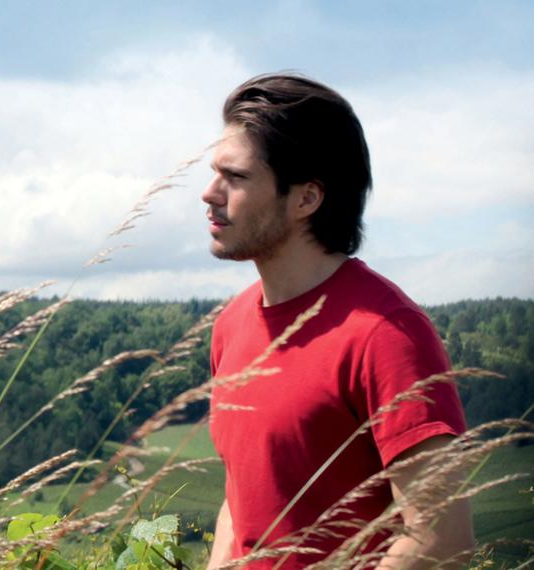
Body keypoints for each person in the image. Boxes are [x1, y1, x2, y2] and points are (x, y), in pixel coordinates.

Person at [201, 73, 473, 568]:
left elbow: (441, 538)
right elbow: (240, 505)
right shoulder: (231, 325)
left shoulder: (385, 333)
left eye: (236, 177)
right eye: (215, 173)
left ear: (306, 198)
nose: (209, 193)